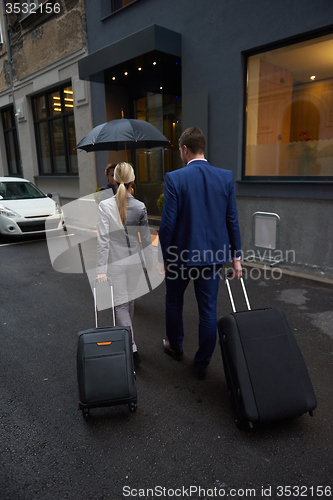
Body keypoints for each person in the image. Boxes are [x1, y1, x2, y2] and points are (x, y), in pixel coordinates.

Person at [158, 127, 242, 380]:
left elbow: (167, 225)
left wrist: (163, 257)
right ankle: (202, 364)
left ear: (185, 149)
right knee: (208, 310)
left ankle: (176, 346)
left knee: (174, 300)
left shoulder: (175, 178)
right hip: (213, 258)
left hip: (180, 256)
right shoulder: (225, 177)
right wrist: (236, 258)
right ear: (202, 148)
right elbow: (232, 220)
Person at [97, 162, 153, 367]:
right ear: (133, 181)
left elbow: (103, 239)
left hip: (116, 263)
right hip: (136, 262)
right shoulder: (139, 206)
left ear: (114, 179)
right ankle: (129, 341)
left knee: (121, 305)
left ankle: (131, 347)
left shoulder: (105, 206)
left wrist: (101, 269)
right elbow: (146, 239)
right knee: (128, 303)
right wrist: (149, 263)